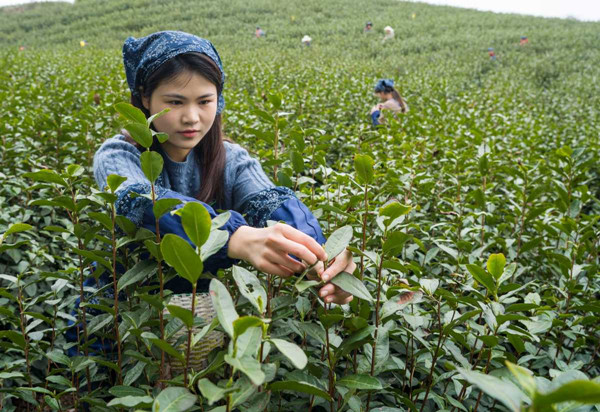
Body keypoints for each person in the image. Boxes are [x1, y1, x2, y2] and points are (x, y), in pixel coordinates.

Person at [94, 31, 354, 301]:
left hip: (204, 322)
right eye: (175, 102)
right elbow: (137, 199)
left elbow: (271, 202)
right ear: (145, 99)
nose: (192, 118)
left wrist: (320, 253)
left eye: (205, 101)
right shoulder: (119, 155)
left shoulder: (230, 159)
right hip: (118, 319)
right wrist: (234, 237)